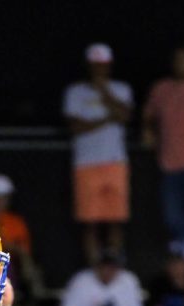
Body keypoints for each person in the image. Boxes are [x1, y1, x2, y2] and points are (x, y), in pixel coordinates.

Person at [62, 44, 133, 264]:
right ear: (88, 66)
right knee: (89, 222)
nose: (99, 70)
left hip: (115, 162)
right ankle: (94, 268)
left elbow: (124, 116)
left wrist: (104, 92)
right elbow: (74, 126)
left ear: (109, 66)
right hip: (86, 164)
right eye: (95, 66)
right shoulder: (75, 92)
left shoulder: (121, 89)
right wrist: (105, 119)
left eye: (103, 66)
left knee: (116, 221)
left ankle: (114, 266)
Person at [143, 46, 184, 256]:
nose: (178, 63)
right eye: (175, 59)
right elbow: (148, 116)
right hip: (171, 166)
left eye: (183, 59)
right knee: (172, 218)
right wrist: (147, 131)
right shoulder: (162, 89)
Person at [0, 175, 40, 303]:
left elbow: (24, 250)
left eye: (5, 197)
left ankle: (31, 300)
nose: (2, 202)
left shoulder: (16, 222)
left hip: (11, 267)